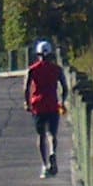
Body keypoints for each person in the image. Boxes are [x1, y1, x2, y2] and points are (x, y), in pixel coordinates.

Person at [24, 39, 65, 176]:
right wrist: (63, 101)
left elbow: (26, 87)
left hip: (38, 105)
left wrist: (27, 103)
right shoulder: (57, 69)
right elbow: (65, 88)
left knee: (40, 135)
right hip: (53, 104)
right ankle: (53, 152)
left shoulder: (32, 70)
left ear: (38, 54)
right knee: (52, 134)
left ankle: (45, 163)